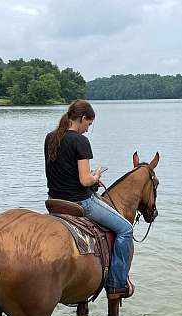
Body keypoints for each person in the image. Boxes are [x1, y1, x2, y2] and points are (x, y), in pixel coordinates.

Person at [44, 100, 134, 299]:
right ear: (83, 118)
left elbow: (60, 172)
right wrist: (96, 177)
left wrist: (87, 179)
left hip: (54, 201)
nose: (87, 130)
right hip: (80, 202)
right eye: (89, 125)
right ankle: (117, 283)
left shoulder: (51, 137)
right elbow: (84, 180)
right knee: (126, 229)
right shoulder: (80, 141)